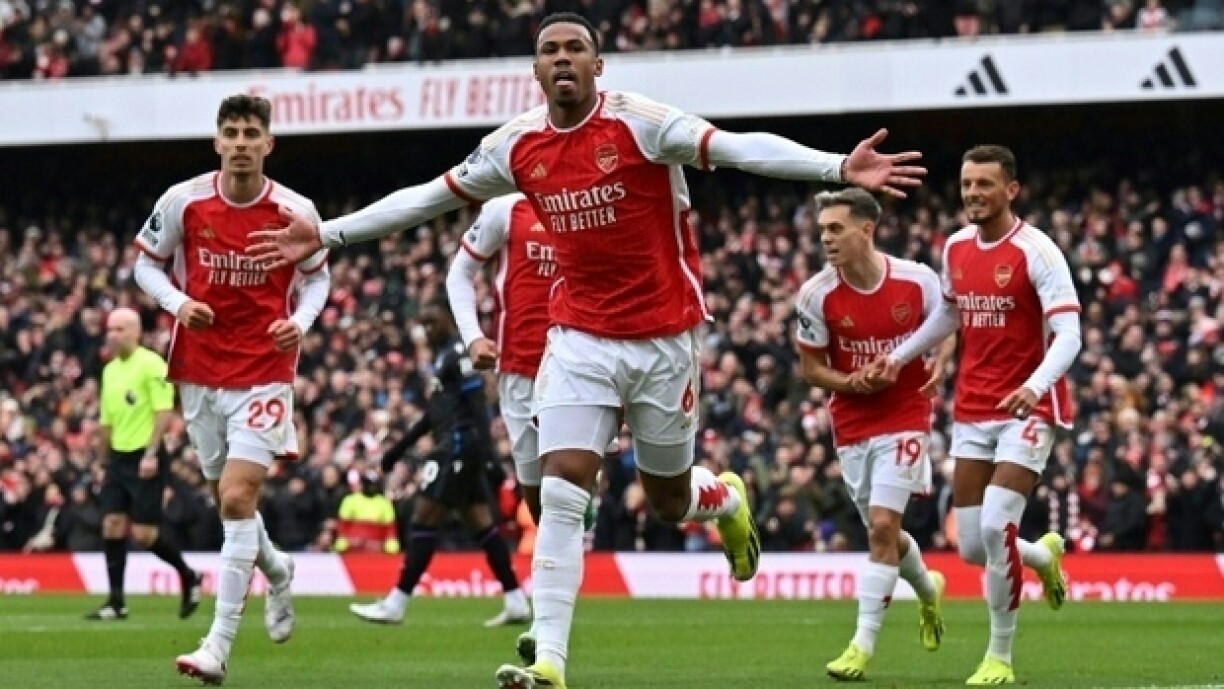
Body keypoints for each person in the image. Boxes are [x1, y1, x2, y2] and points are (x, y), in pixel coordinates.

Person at [247, 13, 925, 688]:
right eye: (551, 51)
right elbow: (429, 198)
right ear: (536, 70)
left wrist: (838, 166)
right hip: (577, 336)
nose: (564, 58)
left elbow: (740, 148)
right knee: (563, 485)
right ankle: (550, 659)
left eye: (577, 49)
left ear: (598, 66)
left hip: (663, 338)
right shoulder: (516, 145)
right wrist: (328, 233)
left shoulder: (640, 123)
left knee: (668, 499)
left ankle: (723, 501)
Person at [132, 94, 331, 684]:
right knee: (227, 501)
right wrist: (178, 302)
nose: (241, 143)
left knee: (239, 498)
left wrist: (300, 322)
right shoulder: (184, 201)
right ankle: (279, 569)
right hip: (199, 369)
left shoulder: (295, 210)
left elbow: (318, 280)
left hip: (265, 368)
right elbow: (145, 265)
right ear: (217, 142)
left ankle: (216, 647)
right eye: (232, 133)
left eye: (251, 134)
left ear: (268, 144)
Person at [867, 145, 1079, 685]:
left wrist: (1034, 386)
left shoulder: (1038, 251)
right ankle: (1042, 558)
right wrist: (900, 356)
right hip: (972, 407)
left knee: (995, 526)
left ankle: (999, 656)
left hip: (1027, 407)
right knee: (969, 547)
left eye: (985, 184)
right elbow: (948, 313)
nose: (974, 193)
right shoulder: (957, 246)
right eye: (967, 184)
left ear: (1011, 190)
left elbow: (1070, 335)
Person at [793, 189, 951, 681]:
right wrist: (852, 382)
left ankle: (860, 647)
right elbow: (811, 368)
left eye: (836, 229)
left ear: (866, 230)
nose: (826, 238)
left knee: (882, 526)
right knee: (885, 533)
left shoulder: (917, 279)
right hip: (852, 422)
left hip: (905, 413)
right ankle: (927, 589)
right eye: (822, 230)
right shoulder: (816, 295)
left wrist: (943, 361)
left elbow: (948, 322)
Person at [445, 193, 604, 661]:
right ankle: (577, 512)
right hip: (517, 370)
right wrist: (473, 336)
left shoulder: (594, 201)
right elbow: (460, 273)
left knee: (560, 496)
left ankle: (546, 630)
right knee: (539, 503)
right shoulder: (507, 209)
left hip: (579, 366)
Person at [349, 295, 531, 627]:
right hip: (457, 447)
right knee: (481, 524)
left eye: (433, 322)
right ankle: (516, 599)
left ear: (449, 319)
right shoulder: (442, 357)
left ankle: (396, 603)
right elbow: (433, 415)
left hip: (459, 447)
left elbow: (478, 407)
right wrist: (397, 450)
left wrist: (489, 457)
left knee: (424, 518)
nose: (428, 330)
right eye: (424, 325)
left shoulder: (460, 354)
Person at [86, 307, 201, 621]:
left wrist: (151, 452)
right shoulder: (109, 370)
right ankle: (116, 601)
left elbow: (164, 410)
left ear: (136, 332)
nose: (112, 335)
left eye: (119, 329)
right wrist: (101, 461)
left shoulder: (152, 364)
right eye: (110, 329)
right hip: (118, 457)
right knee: (111, 523)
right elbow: (106, 420)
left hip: (144, 455)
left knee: (144, 534)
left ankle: (188, 574)